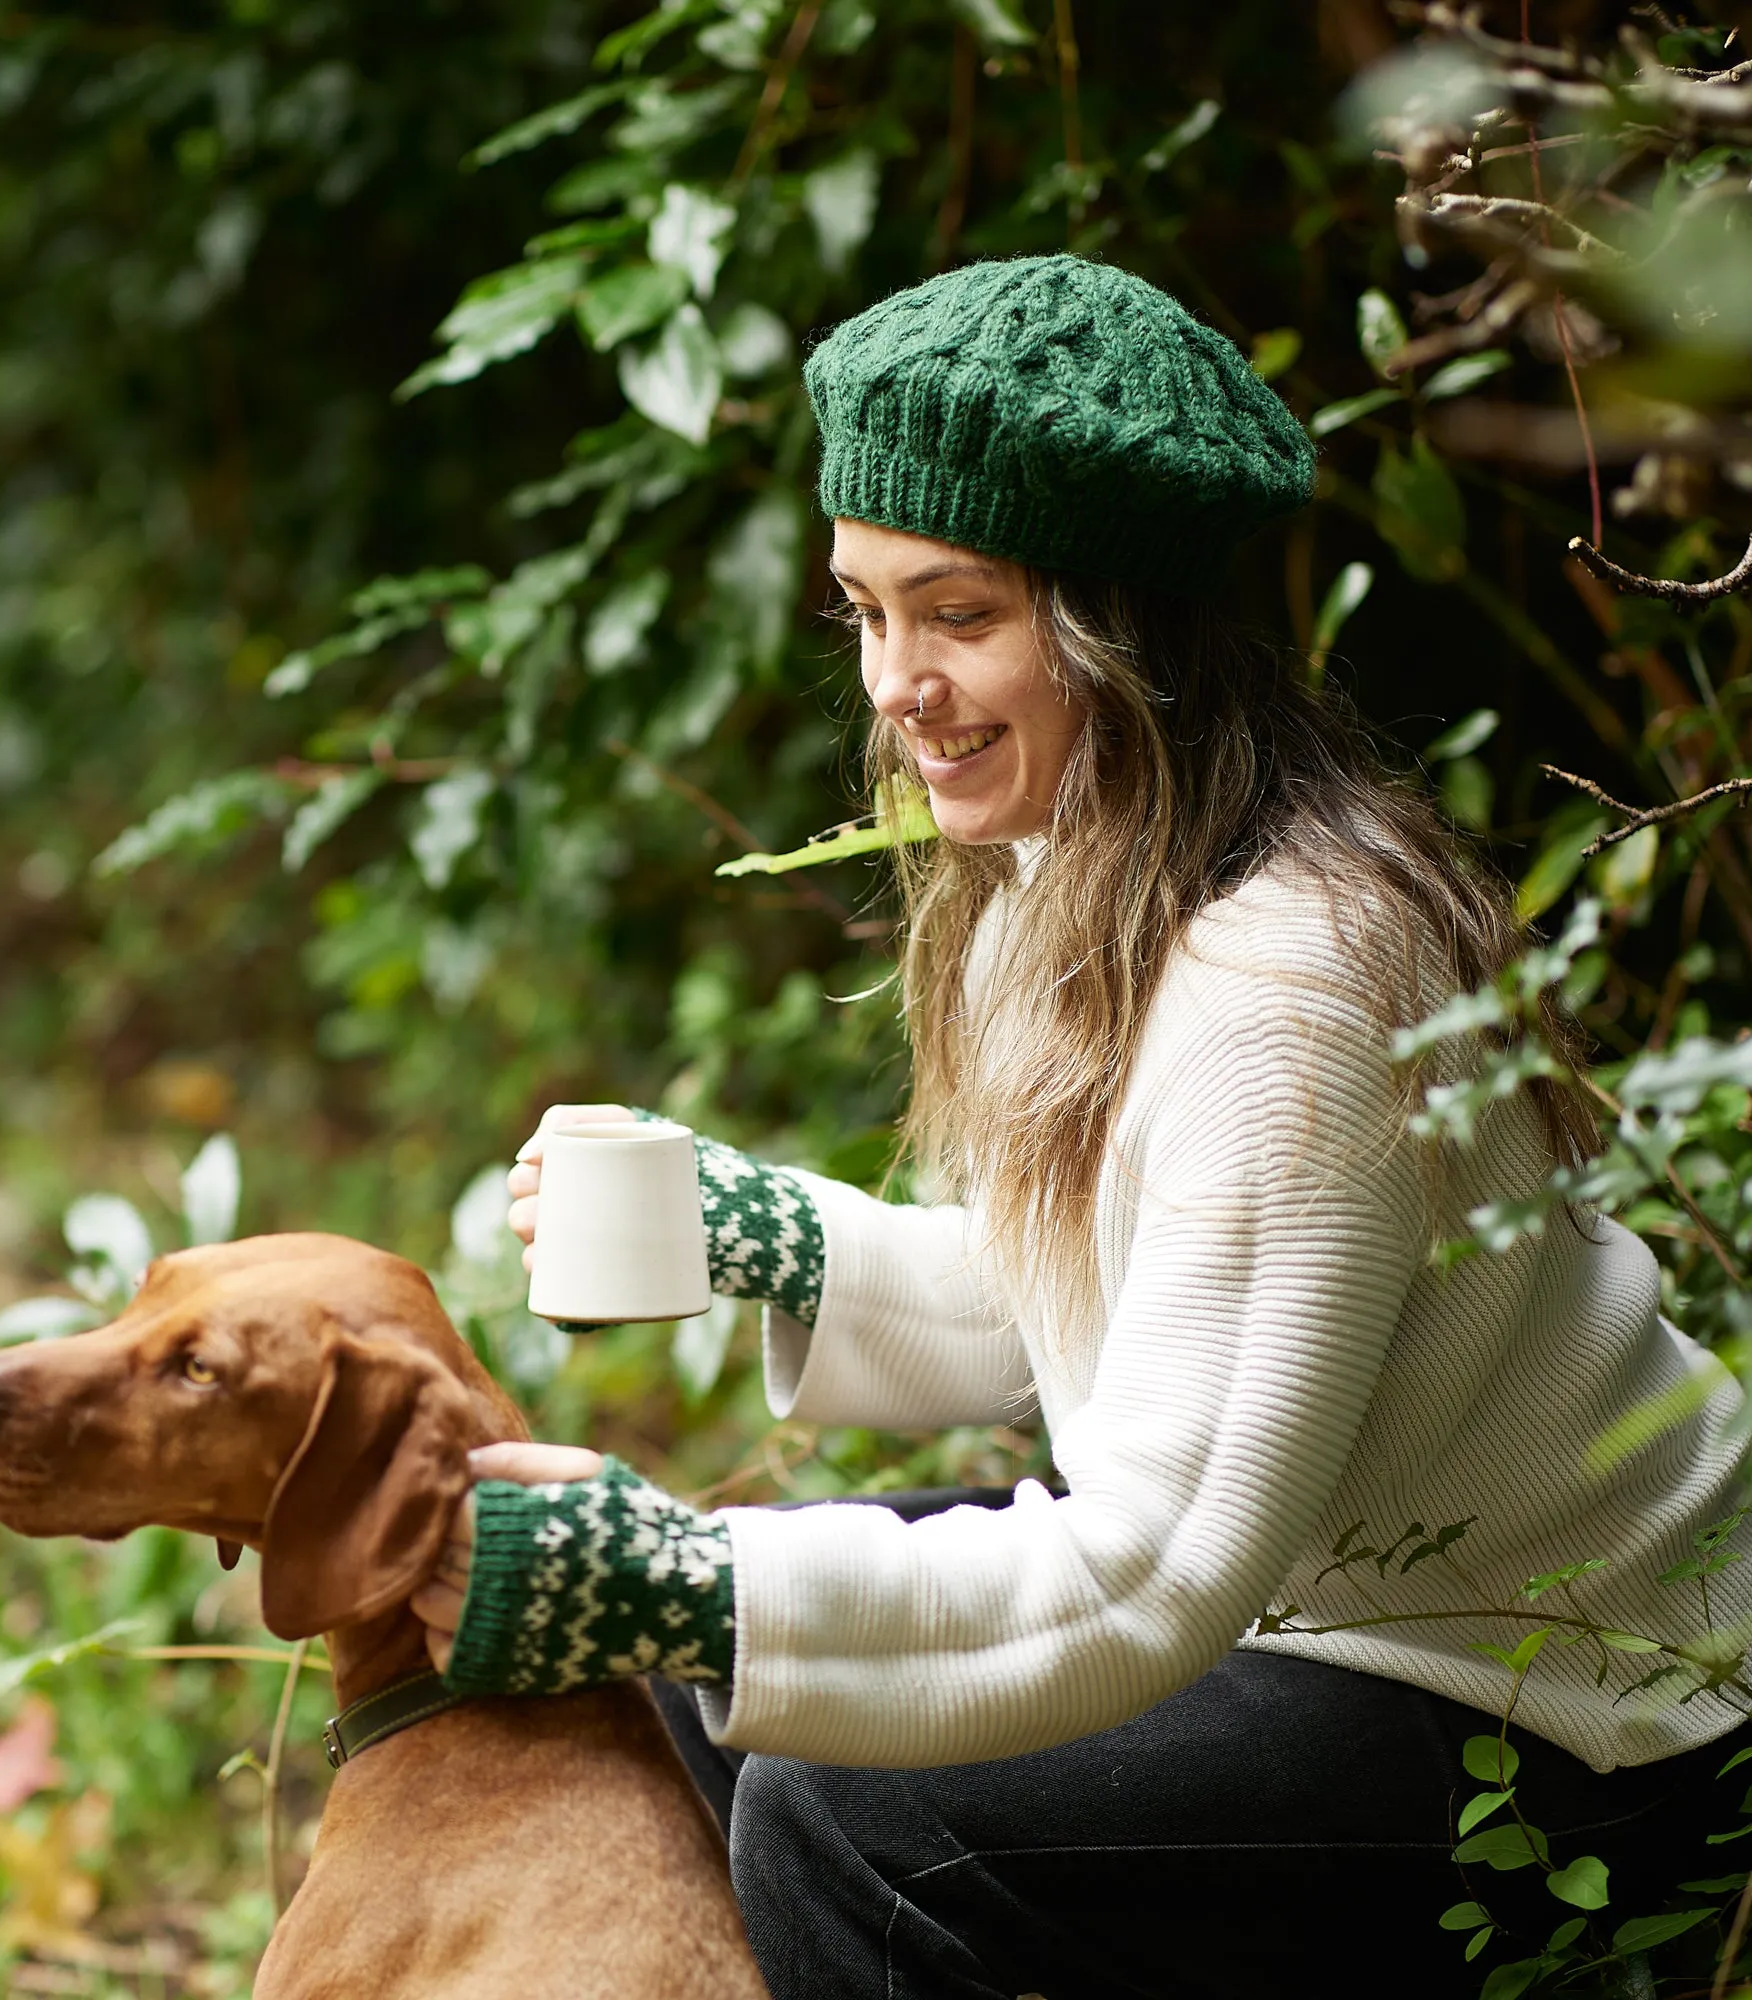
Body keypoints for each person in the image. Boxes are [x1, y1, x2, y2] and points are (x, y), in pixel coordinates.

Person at [408, 256, 1751, 1998]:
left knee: (849, 1809)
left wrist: (687, 1577)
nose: (895, 683)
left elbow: (1150, 1569)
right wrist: (774, 1242)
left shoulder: (1289, 988)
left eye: (959, 615)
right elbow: (1138, 1299)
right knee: (722, 1684)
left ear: (1135, 625)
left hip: (1588, 1727)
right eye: (867, 611)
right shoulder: (1086, 869)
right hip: (1340, 1621)